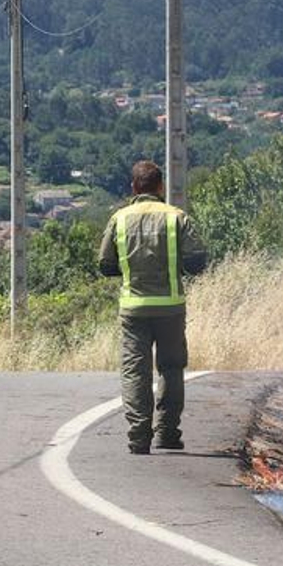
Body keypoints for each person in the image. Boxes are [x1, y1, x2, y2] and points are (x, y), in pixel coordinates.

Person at [98, 160, 208, 454]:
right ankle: (167, 434)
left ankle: (138, 436)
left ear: (134, 187)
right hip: (171, 307)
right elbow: (198, 261)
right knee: (171, 369)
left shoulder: (119, 219)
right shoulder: (177, 218)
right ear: (160, 187)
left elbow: (105, 265)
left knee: (136, 370)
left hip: (133, 308)